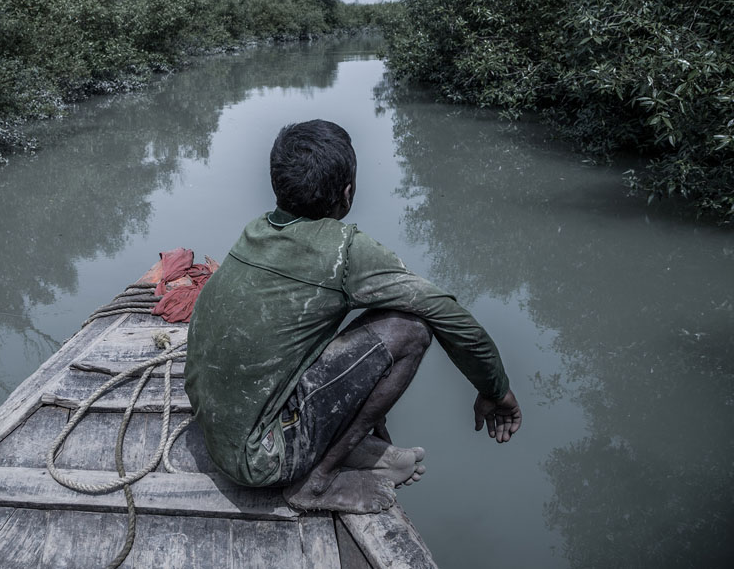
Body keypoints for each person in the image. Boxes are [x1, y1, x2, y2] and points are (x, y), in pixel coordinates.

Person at [184, 119, 521, 514]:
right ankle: (318, 482)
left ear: (277, 183)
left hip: (210, 427)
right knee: (409, 328)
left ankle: (350, 443)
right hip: (260, 459)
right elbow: (450, 315)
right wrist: (496, 391)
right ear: (348, 193)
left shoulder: (255, 231)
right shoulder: (345, 251)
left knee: (351, 318)